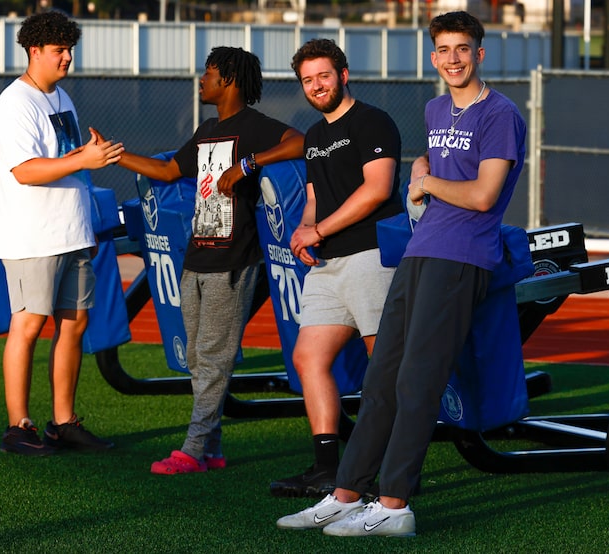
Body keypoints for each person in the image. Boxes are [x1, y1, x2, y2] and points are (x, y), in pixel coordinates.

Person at [276, 11, 527, 536]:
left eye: (463, 49)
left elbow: (482, 196)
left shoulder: (499, 113)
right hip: (418, 250)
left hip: (464, 257)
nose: (453, 59)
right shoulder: (437, 108)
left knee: (418, 380)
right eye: (444, 51)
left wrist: (428, 182)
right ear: (433, 58)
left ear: (479, 54)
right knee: (381, 377)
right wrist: (422, 170)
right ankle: (345, 494)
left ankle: (394, 506)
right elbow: (434, 175)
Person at [108, 47, 305, 474]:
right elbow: (167, 171)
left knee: (213, 358)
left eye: (209, 73)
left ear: (229, 79)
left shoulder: (254, 127)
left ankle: (192, 450)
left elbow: (300, 143)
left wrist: (250, 164)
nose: (201, 79)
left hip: (234, 259)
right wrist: (113, 155)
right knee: (199, 359)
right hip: (197, 256)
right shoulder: (207, 129)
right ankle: (212, 449)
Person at [269, 38, 403, 498]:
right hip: (327, 265)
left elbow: (378, 189)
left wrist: (318, 230)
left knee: (383, 364)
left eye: (323, 75)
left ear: (343, 75)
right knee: (308, 358)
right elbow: (312, 197)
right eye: (307, 80)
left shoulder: (372, 121)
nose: (316, 86)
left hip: (372, 256)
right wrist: (304, 229)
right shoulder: (314, 135)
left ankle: (396, 469)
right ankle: (329, 467)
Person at [0, 10, 124, 456]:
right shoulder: (14, 103)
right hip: (33, 234)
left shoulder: (61, 98)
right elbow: (25, 171)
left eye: (70, 49)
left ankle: (63, 422)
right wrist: (84, 160)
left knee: (75, 322)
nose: (67, 57)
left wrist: (88, 154)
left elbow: (63, 159)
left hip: (70, 230)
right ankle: (18, 426)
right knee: (27, 325)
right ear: (34, 51)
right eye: (58, 50)